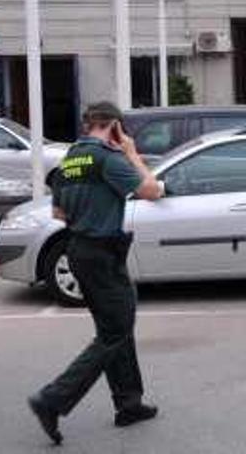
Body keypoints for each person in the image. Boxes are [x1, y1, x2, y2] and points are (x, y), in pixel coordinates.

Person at [28, 102, 164, 444]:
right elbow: (151, 190)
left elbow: (59, 213)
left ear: (88, 125)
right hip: (103, 254)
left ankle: (129, 403)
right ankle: (53, 399)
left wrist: (87, 211)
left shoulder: (69, 160)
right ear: (115, 126)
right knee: (114, 331)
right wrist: (132, 154)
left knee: (118, 323)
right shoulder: (108, 157)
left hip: (80, 250)